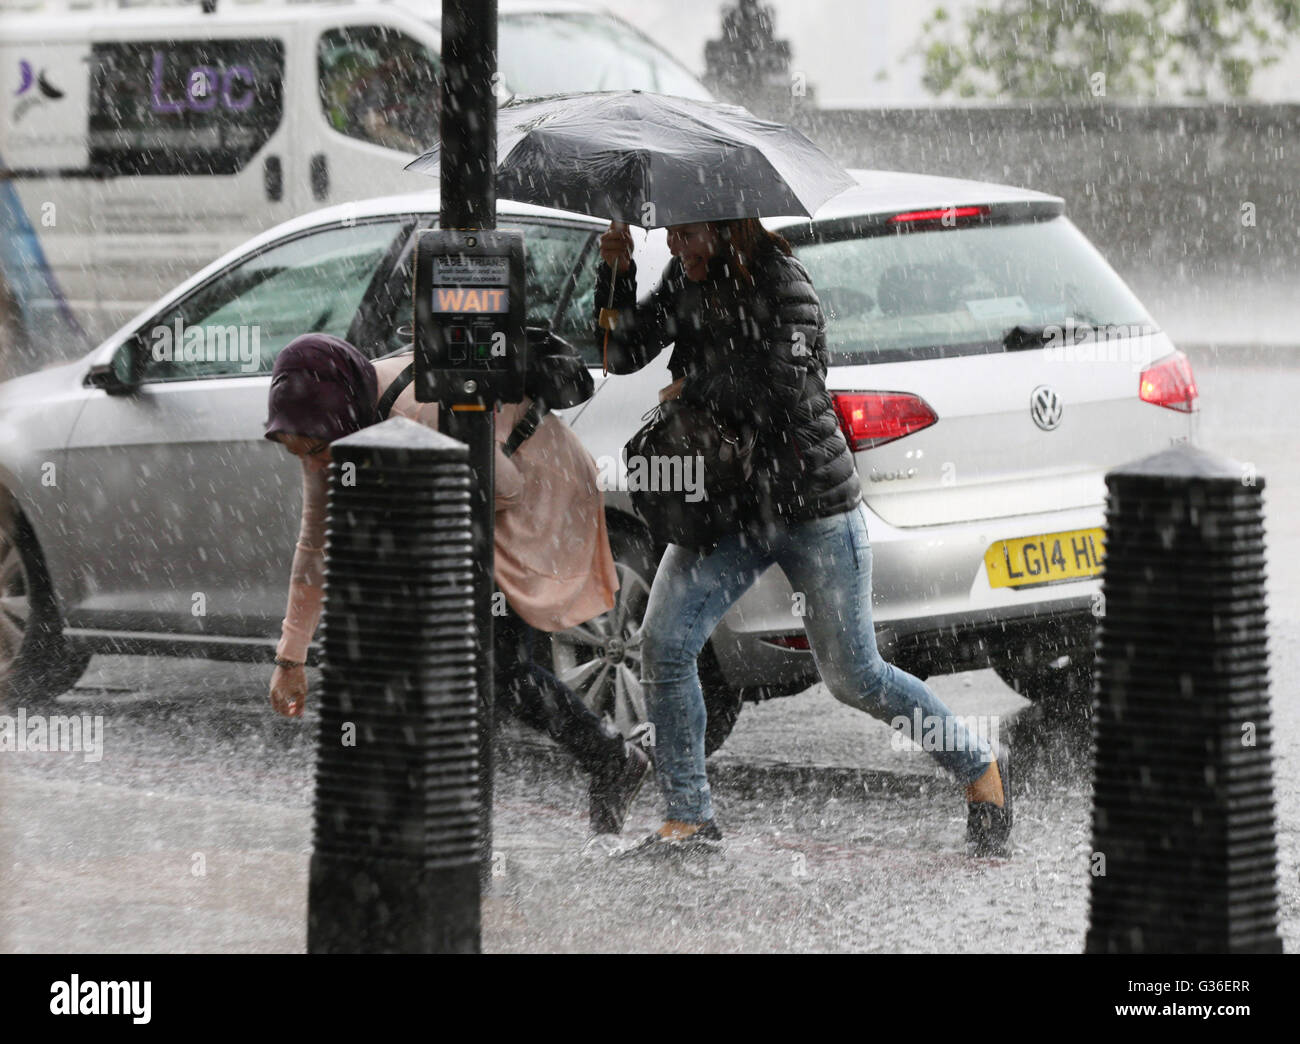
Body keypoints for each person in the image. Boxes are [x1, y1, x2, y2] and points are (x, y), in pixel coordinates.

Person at [593, 219, 1013, 857]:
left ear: (727, 228)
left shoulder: (785, 285)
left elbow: (778, 390)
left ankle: (978, 770)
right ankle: (688, 819)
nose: (677, 246)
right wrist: (617, 272)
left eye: (688, 235)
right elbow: (623, 353)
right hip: (727, 512)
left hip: (810, 505)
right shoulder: (685, 276)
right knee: (665, 642)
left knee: (854, 676)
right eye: (672, 237)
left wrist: (692, 387)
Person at [263, 333, 650, 834]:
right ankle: (599, 761)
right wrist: (290, 657)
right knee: (468, 661)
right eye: (301, 455)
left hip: (537, 487)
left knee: (494, 666)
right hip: (481, 506)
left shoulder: (416, 413)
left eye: (316, 451)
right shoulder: (334, 430)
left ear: (339, 422)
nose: (314, 465)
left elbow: (505, 489)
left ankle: (603, 762)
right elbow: (315, 545)